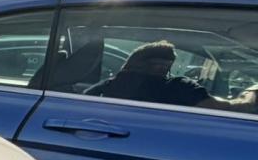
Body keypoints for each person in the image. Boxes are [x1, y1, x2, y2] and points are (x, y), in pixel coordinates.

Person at [86, 40, 258, 112]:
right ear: (162, 68)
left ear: (128, 64)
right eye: (163, 67)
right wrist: (251, 94)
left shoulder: (101, 91)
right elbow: (225, 109)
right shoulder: (178, 88)